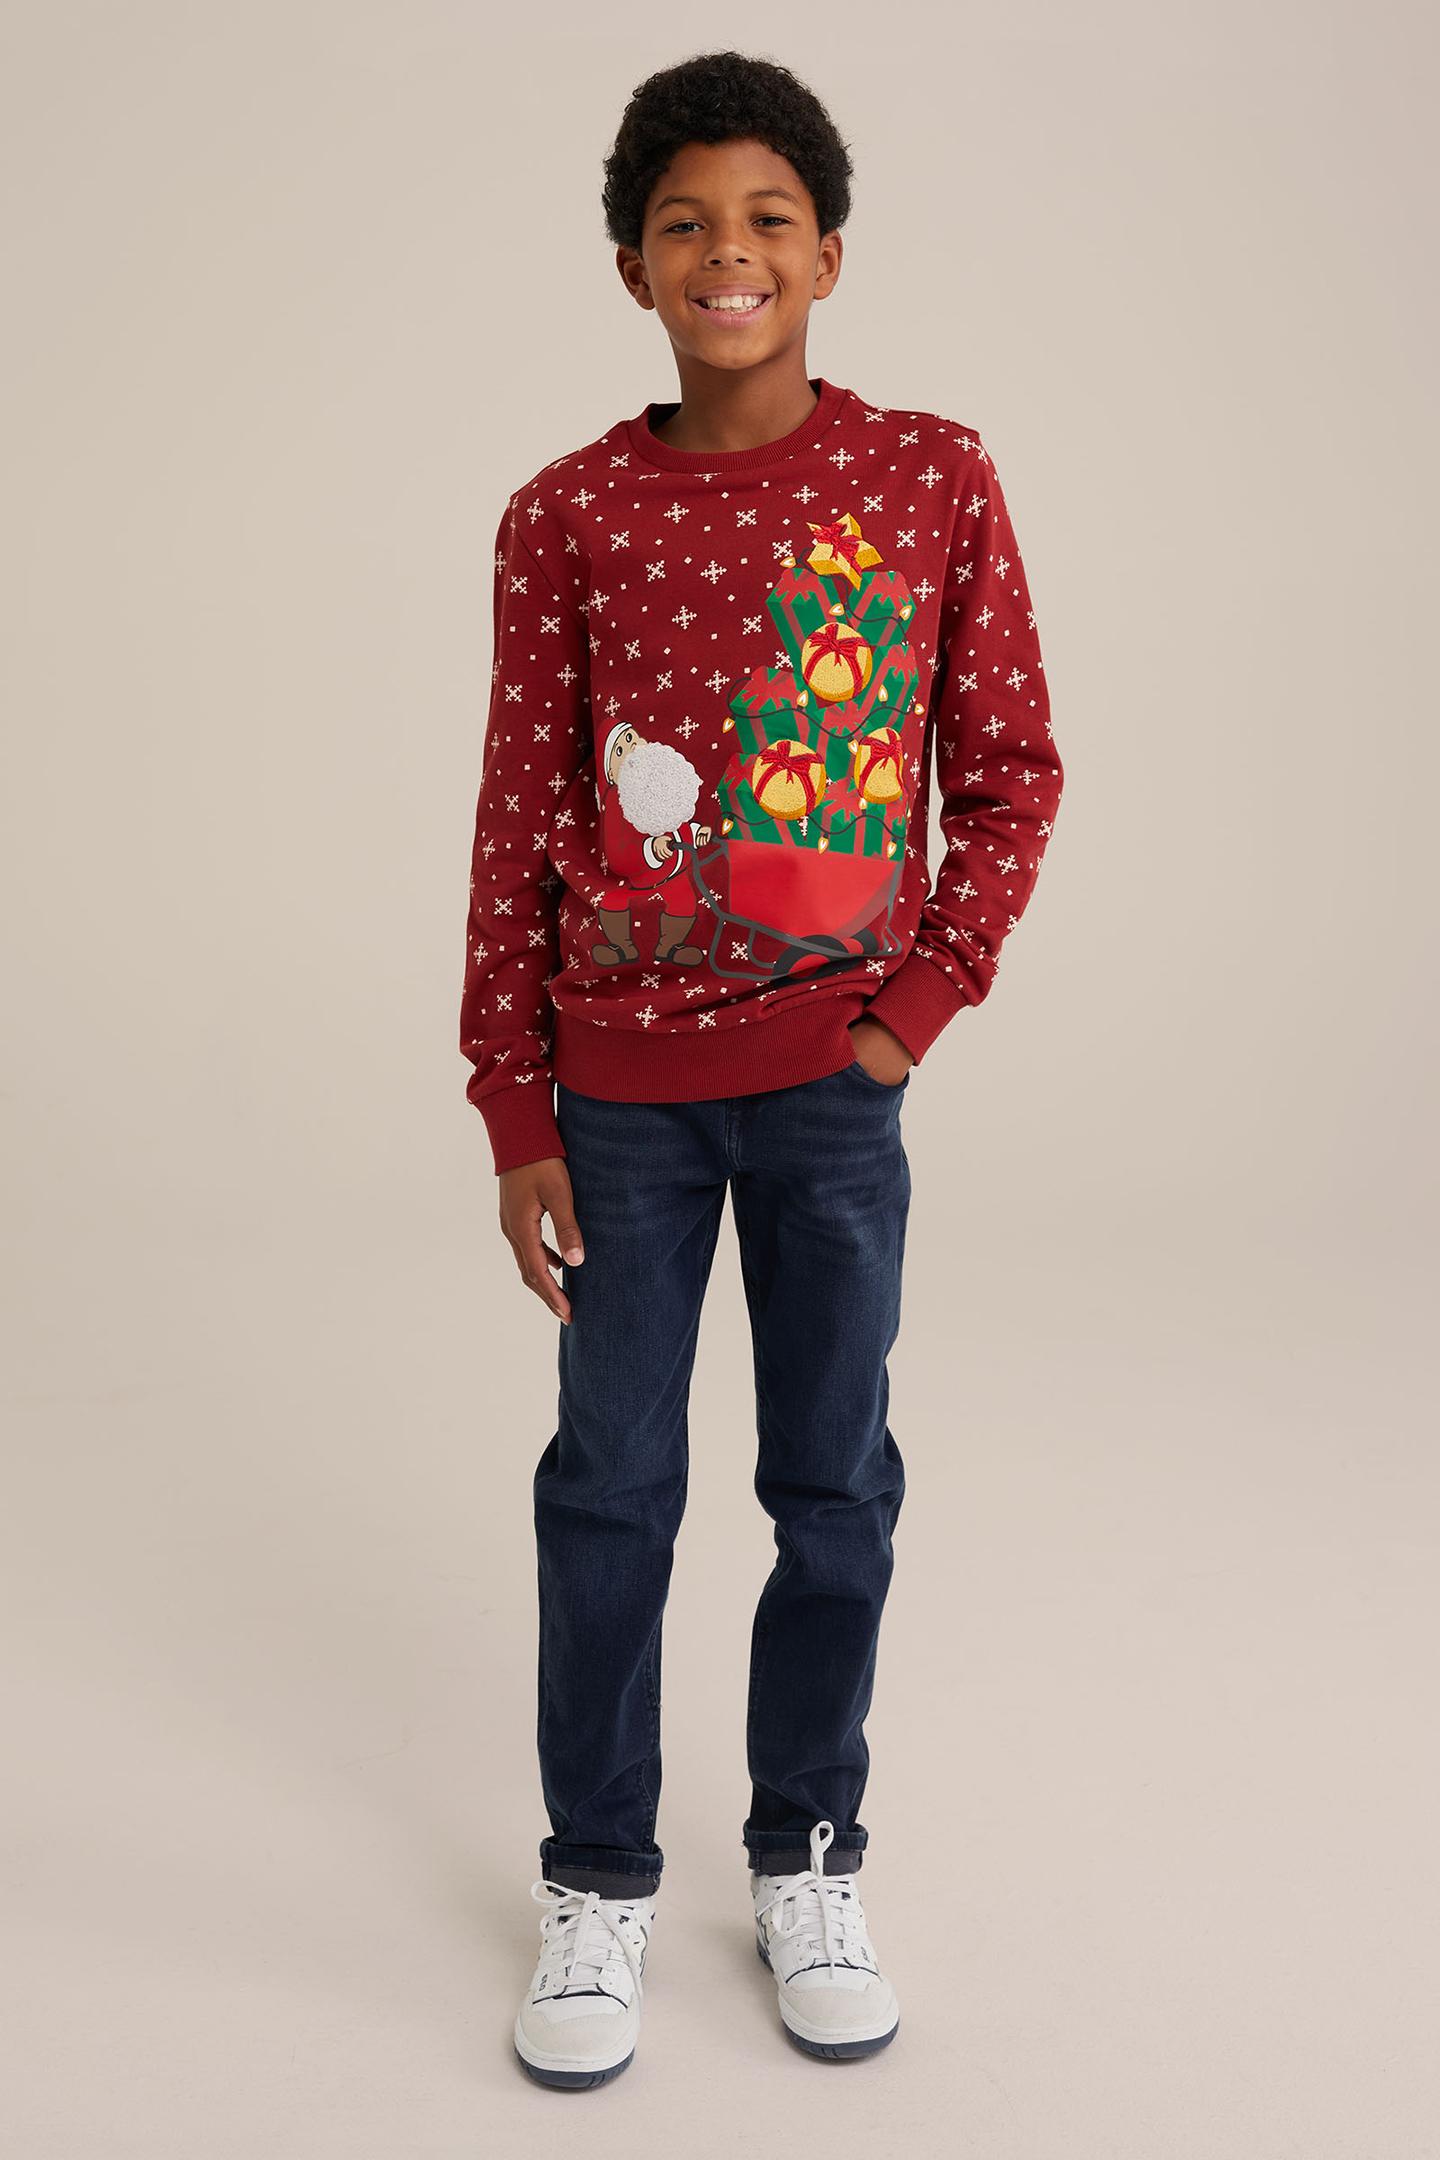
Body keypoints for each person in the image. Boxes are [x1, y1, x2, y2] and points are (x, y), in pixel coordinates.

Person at [458, 48, 1065, 2090]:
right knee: (609, 1492)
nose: (730, 253)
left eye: (768, 221)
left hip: (831, 1097)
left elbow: (1008, 774)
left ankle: (806, 1849)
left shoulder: (930, 478)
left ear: (829, 255)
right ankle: (597, 1883)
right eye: (686, 225)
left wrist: (909, 1016)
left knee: (832, 1485)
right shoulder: (565, 517)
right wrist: (515, 1101)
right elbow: (516, 818)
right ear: (633, 267)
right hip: (615, 1106)